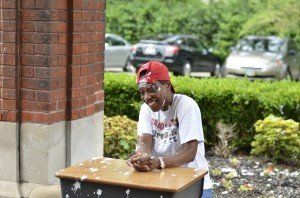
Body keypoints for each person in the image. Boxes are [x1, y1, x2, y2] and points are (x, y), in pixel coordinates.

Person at [126, 61, 213, 198]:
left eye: (151, 89)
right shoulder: (146, 109)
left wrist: (158, 162)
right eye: (142, 92)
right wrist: (141, 157)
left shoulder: (185, 105)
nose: (146, 97)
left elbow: (189, 152)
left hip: (193, 184)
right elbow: (144, 142)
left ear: (166, 86)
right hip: (163, 182)